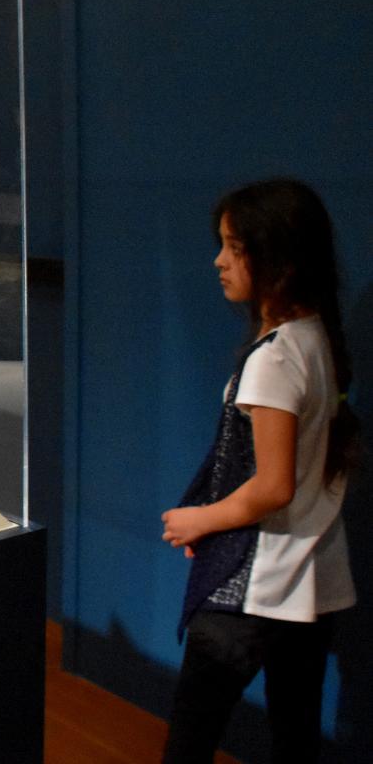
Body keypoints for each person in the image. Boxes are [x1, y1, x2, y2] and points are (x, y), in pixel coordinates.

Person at [160, 178, 358, 763]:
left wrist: (201, 520)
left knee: (191, 740)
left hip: (259, 584)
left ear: (279, 259)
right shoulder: (316, 338)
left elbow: (273, 486)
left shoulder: (274, 358)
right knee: (295, 735)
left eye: (235, 247)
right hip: (313, 575)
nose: (219, 261)